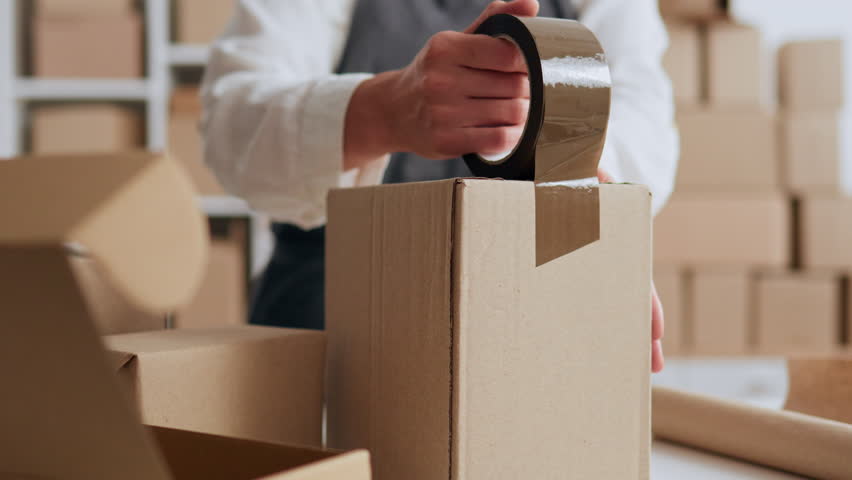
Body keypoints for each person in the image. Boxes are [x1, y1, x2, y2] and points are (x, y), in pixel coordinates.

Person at [200, 0, 677, 372]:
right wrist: (384, 110)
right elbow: (231, 124)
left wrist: (574, 183)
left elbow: (646, 125)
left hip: (528, 312)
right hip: (327, 325)